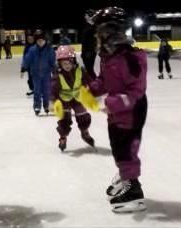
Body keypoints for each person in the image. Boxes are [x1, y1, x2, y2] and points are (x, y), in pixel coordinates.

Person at [87, 6, 148, 213]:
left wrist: (110, 103)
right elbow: (104, 81)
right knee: (117, 145)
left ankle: (134, 191)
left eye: (100, 32)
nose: (98, 36)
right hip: (117, 111)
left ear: (111, 32)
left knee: (126, 148)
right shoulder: (109, 57)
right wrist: (90, 90)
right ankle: (126, 175)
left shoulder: (131, 58)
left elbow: (136, 91)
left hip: (132, 110)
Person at [51, 45, 94, 151]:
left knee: (84, 117)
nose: (67, 66)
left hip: (78, 98)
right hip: (64, 100)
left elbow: (88, 80)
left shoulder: (80, 70)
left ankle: (85, 132)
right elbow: (53, 89)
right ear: (59, 63)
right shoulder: (58, 75)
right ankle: (63, 137)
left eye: (69, 63)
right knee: (64, 122)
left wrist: (90, 87)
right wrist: (53, 100)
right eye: (64, 64)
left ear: (73, 61)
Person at [21, 30, 56, 115]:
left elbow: (52, 60)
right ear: (36, 41)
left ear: (45, 41)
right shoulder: (32, 50)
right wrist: (23, 68)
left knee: (46, 91)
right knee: (37, 90)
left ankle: (46, 105)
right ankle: (37, 106)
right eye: (38, 41)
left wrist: (54, 69)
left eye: (42, 41)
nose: (40, 42)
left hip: (46, 74)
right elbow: (27, 59)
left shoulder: (49, 50)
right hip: (35, 74)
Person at [81, 9, 98, 78]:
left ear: (90, 16)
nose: (85, 16)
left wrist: (88, 52)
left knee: (89, 70)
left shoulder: (93, 27)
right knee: (89, 70)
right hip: (87, 51)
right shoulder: (88, 25)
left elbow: (93, 41)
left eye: (86, 15)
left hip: (89, 52)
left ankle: (95, 82)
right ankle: (93, 83)